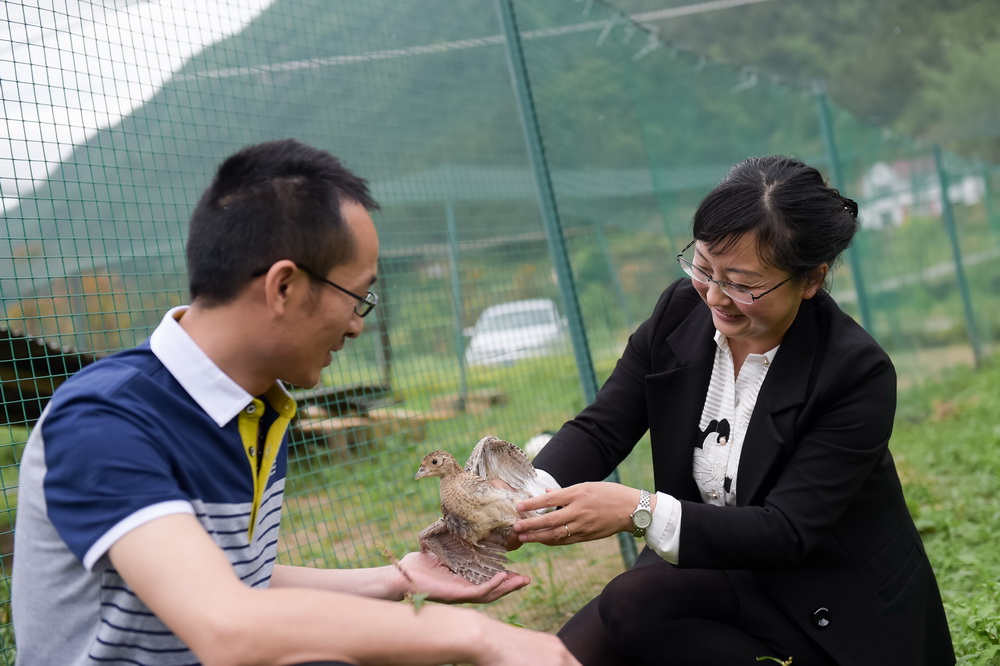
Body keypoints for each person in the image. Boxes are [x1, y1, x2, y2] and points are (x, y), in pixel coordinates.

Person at [11, 139, 579, 666]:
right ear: (283, 286)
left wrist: (399, 579)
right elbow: (226, 623)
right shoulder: (108, 421)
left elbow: (232, 582)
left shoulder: (260, 409)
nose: (358, 325)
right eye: (357, 296)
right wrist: (483, 638)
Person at [512, 156, 955, 665]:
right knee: (579, 639)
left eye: (743, 284)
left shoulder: (854, 372)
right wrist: (522, 500)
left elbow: (787, 531)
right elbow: (602, 428)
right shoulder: (680, 312)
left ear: (811, 279)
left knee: (640, 607)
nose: (715, 297)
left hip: (823, 602)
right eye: (704, 267)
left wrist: (638, 511)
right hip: (714, 565)